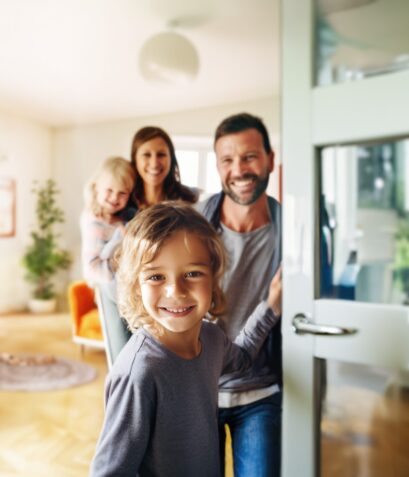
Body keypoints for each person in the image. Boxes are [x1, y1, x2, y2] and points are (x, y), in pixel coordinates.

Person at [90, 202, 281, 477]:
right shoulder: (138, 373)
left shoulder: (213, 339)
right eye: (156, 276)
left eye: (192, 273)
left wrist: (271, 307)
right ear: (136, 285)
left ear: (213, 279)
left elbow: (242, 358)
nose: (176, 291)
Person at [196, 112, 282, 477]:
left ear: (270, 160)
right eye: (227, 160)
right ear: (217, 167)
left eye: (249, 156)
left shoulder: (292, 232)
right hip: (198, 392)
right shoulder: (196, 225)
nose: (239, 169)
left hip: (260, 395)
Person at [80, 156, 136, 287]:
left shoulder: (124, 217)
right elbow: (92, 270)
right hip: (104, 288)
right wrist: (121, 244)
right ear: (96, 188)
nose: (114, 197)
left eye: (122, 193)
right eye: (109, 190)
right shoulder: (95, 222)